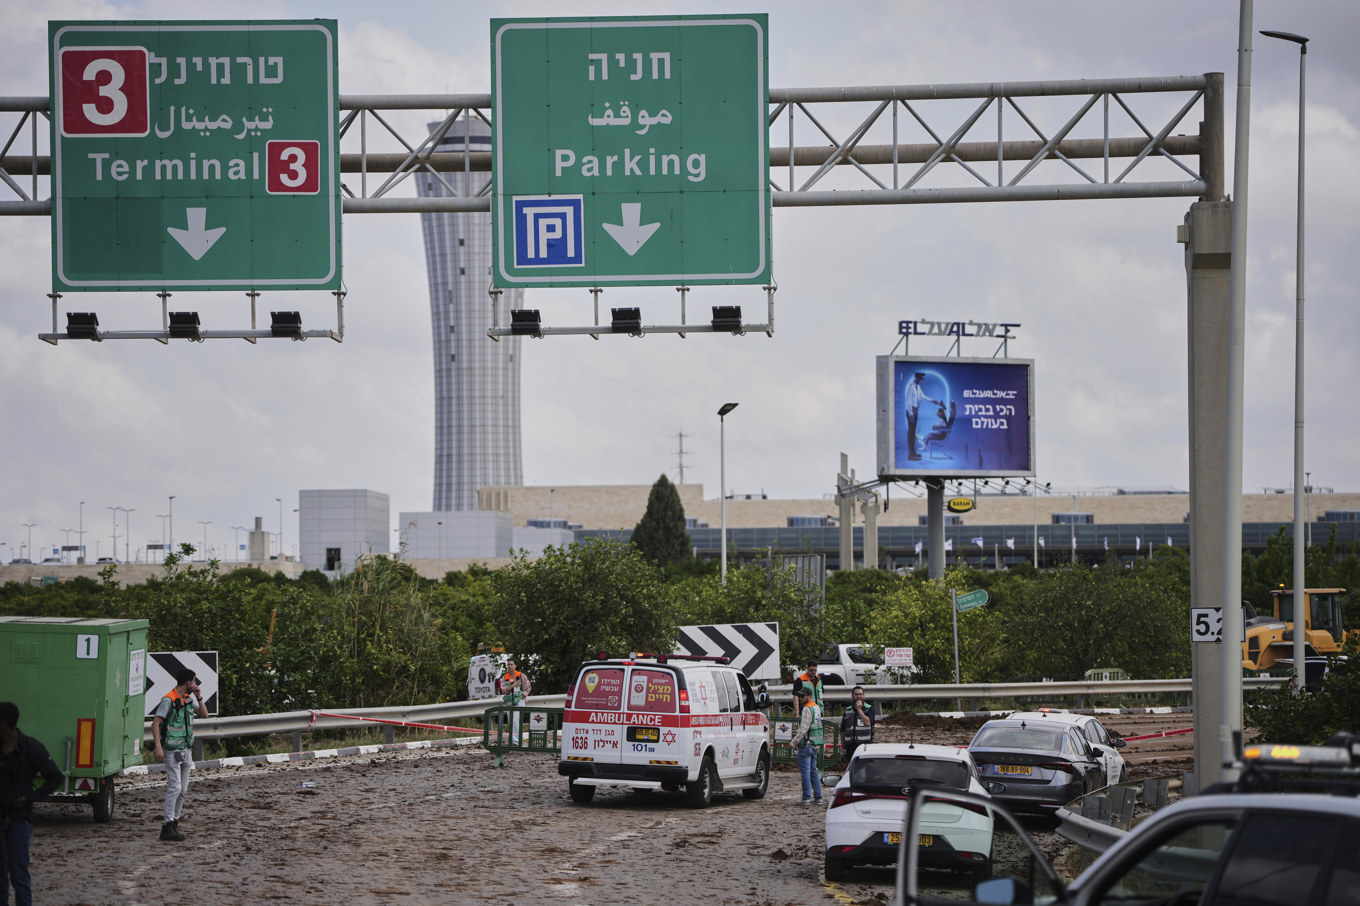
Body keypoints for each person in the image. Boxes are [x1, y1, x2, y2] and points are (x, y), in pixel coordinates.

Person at [0, 702, 63, 906]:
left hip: (19, 818)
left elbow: (55, 777)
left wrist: (32, 797)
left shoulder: (30, 748)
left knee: (18, 873)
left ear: (4, 724)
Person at [152, 668, 207, 841]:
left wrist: (199, 696)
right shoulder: (168, 699)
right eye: (194, 681)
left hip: (185, 749)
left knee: (182, 789)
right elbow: (155, 723)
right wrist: (158, 747)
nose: (195, 684)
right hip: (171, 749)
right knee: (174, 788)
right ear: (188, 683)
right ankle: (166, 826)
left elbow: (204, 715)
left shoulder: (188, 699)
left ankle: (174, 823)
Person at [790, 688, 823, 805]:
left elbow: (803, 729)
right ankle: (818, 797)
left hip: (806, 745)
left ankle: (806, 798)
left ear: (808, 696)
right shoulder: (816, 707)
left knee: (805, 772)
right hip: (815, 745)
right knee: (813, 771)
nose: (800, 698)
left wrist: (793, 742)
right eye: (799, 696)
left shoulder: (806, 709)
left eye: (802, 696)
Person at [904, 371, 943, 462]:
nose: (921, 381)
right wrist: (911, 414)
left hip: (916, 410)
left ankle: (913, 453)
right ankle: (910, 455)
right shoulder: (910, 387)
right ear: (916, 377)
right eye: (920, 379)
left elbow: (922, 397)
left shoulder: (917, 387)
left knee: (913, 433)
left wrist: (932, 400)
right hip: (912, 410)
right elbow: (908, 401)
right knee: (911, 433)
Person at [497, 659, 532, 745]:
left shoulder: (521, 675)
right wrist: (513, 685)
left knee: (516, 720)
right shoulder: (505, 677)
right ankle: (514, 740)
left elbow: (528, 687)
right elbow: (504, 690)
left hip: (519, 700)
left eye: (511, 664)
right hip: (509, 701)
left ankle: (515, 741)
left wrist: (523, 695)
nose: (509, 666)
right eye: (508, 665)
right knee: (511, 721)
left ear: (515, 665)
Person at [840, 685, 878, 762]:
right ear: (852, 696)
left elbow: (868, 723)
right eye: (856, 694)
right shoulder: (847, 710)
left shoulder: (869, 708)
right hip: (850, 746)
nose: (858, 696)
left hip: (865, 746)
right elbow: (843, 729)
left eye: (860, 694)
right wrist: (843, 745)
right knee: (852, 770)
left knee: (865, 769)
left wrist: (860, 710)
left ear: (864, 696)